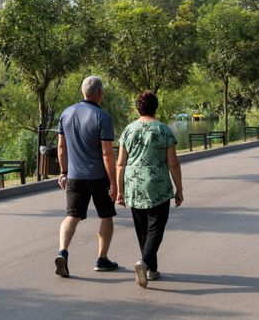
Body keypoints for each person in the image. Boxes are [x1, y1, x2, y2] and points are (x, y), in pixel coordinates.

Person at [116, 91, 183, 288]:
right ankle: (144, 262)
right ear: (156, 107)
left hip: (134, 184)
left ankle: (151, 270)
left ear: (138, 108)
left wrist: (120, 190)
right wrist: (179, 188)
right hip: (158, 185)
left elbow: (120, 164)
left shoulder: (128, 130)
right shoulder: (163, 130)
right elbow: (173, 164)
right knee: (156, 228)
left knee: (142, 229)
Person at [54, 76, 119, 278]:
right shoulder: (103, 117)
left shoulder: (66, 113)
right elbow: (107, 153)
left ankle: (62, 252)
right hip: (99, 177)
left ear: (84, 92)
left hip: (74, 176)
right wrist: (114, 182)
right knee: (106, 216)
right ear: (99, 93)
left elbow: (61, 147)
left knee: (72, 216)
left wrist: (64, 172)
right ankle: (102, 259)